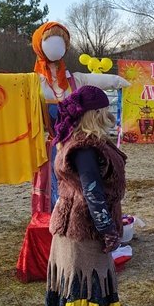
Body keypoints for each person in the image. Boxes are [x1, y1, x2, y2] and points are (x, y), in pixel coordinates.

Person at [43, 85, 128, 306]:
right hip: (82, 229)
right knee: (89, 281)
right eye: (104, 109)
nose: (109, 114)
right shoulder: (84, 148)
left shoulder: (84, 142)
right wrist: (107, 230)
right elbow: (92, 192)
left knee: (83, 281)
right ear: (94, 113)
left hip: (73, 225)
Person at [30, 21, 129, 213]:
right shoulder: (33, 82)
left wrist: (120, 81)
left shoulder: (76, 79)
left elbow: (102, 80)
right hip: (53, 146)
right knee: (56, 186)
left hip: (77, 144)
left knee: (80, 185)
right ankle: (56, 218)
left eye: (61, 41)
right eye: (50, 41)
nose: (56, 46)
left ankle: (80, 217)